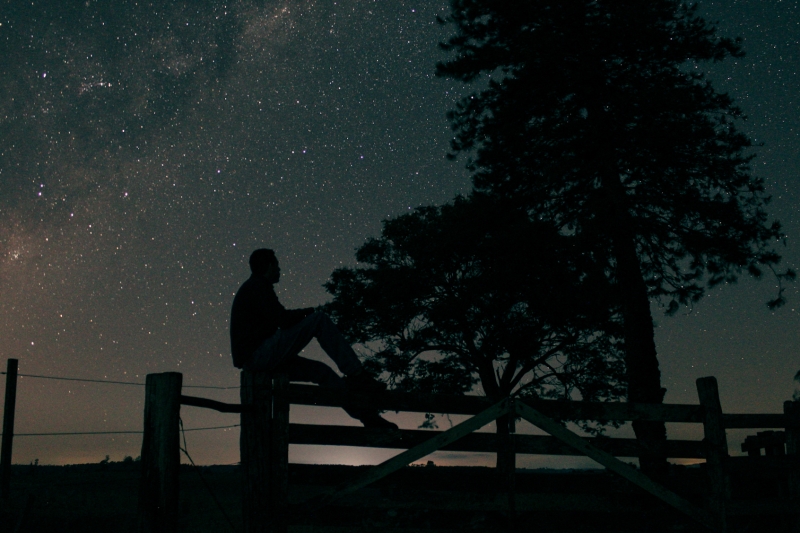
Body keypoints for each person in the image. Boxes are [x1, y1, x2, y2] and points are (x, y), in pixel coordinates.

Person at [230, 248, 398, 429]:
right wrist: (308, 312)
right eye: (277, 265)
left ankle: (367, 417)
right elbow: (283, 320)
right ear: (269, 265)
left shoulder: (255, 287)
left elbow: (278, 320)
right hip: (258, 356)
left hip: (259, 358)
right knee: (319, 320)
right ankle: (357, 374)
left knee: (321, 371)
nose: (280, 270)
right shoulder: (258, 286)